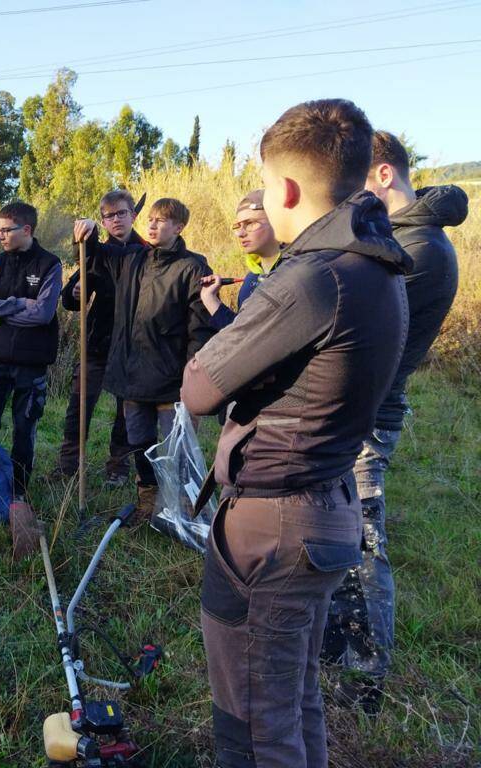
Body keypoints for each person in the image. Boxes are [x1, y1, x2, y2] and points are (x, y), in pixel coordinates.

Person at [181, 98, 411, 768]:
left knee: (252, 725)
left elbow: (199, 386)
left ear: (282, 187)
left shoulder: (312, 277)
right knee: (291, 701)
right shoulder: (377, 261)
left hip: (276, 525)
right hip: (323, 507)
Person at [323, 131, 468, 711]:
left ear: (382, 174)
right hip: (354, 407)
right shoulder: (397, 237)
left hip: (370, 412)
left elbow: (371, 334)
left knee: (362, 540)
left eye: (353, 184)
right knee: (338, 531)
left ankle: (365, 677)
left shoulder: (424, 249)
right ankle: (336, 647)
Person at [75, 196, 213, 518]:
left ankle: (185, 510)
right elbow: (98, 253)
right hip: (131, 376)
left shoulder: (193, 267)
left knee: (178, 449)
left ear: (179, 227)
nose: (151, 224)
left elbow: (200, 327)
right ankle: (148, 501)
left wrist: (192, 376)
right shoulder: (132, 259)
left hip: (171, 379)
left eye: (161, 220)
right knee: (139, 442)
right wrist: (91, 232)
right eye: (149, 219)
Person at [0, 202, 61, 556]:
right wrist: (17, 303)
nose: (0, 236)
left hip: (31, 363)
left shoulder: (49, 264)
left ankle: (18, 489)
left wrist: (6, 308)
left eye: (6, 229)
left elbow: (44, 314)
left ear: (27, 229)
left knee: (25, 427)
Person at [55, 189, 134, 487]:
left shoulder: (148, 252)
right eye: (108, 216)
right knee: (79, 405)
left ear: (133, 215)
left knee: (127, 413)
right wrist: (74, 294)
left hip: (132, 346)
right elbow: (71, 297)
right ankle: (68, 465)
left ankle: (118, 466)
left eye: (121, 213)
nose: (115, 220)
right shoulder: (96, 252)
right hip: (98, 344)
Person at [199, 190, 283, 329]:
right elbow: (242, 335)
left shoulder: (296, 272)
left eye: (250, 223)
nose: (240, 233)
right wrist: (210, 298)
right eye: (238, 226)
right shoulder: (251, 279)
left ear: (276, 221)